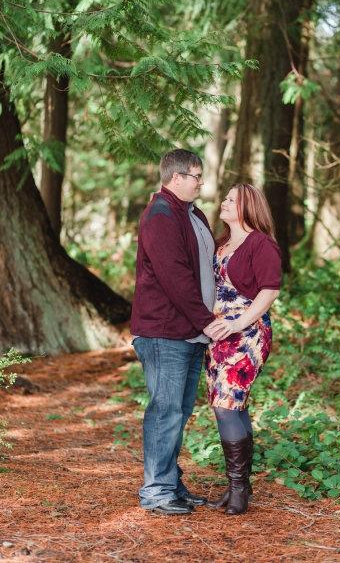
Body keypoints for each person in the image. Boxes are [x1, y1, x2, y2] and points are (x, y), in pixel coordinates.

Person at [131, 149, 227, 515]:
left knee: (179, 412)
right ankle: (155, 492)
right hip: (164, 332)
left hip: (188, 332)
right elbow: (175, 278)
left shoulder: (191, 213)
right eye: (196, 175)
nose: (201, 182)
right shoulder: (161, 215)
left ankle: (169, 481)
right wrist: (206, 321)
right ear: (176, 178)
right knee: (165, 412)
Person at [204, 184, 281, 515]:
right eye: (225, 197)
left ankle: (237, 490)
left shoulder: (261, 243)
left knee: (226, 406)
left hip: (248, 332)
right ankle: (242, 489)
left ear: (249, 206)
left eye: (232, 199)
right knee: (234, 406)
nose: (224, 202)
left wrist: (238, 323)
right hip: (219, 335)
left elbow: (270, 290)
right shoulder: (221, 243)